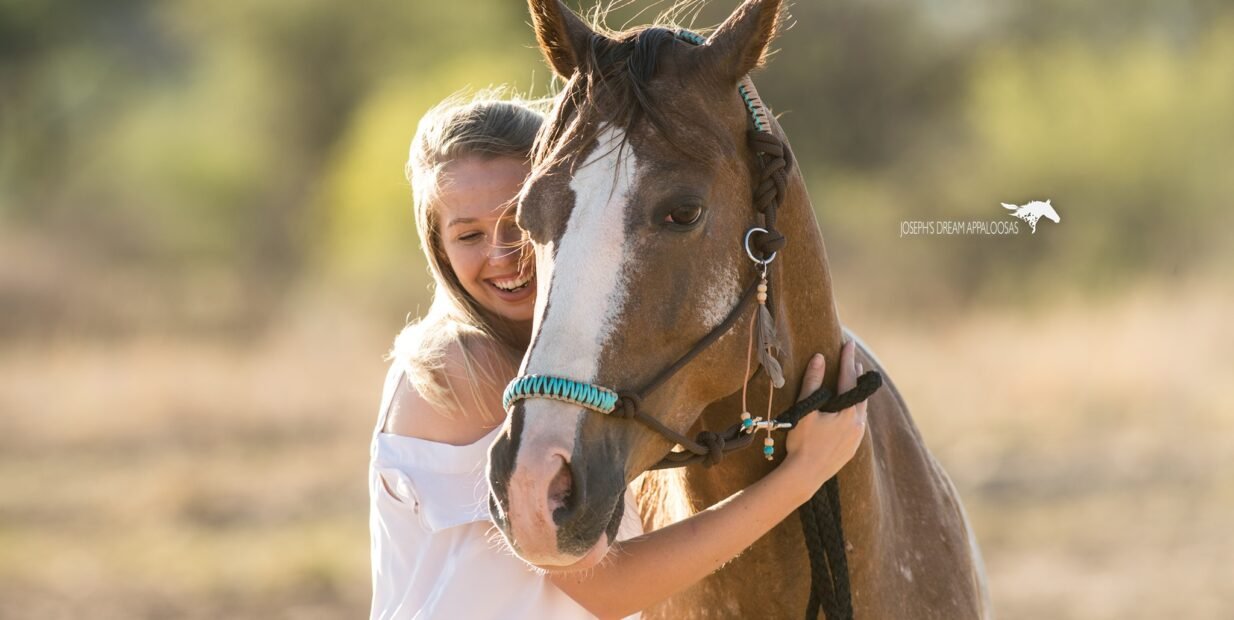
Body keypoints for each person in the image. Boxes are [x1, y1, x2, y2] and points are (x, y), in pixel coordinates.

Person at [369, 94, 871, 619]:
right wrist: (806, 471)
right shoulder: (461, 366)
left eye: (520, 221)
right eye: (468, 234)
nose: (502, 254)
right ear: (439, 249)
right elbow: (610, 590)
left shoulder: (578, 367)